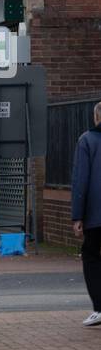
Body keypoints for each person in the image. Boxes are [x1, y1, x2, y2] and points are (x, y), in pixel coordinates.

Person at [71, 100, 101, 328]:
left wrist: (77, 216)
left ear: (96, 117)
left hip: (96, 214)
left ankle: (99, 308)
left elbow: (81, 180)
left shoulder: (87, 140)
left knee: (91, 256)